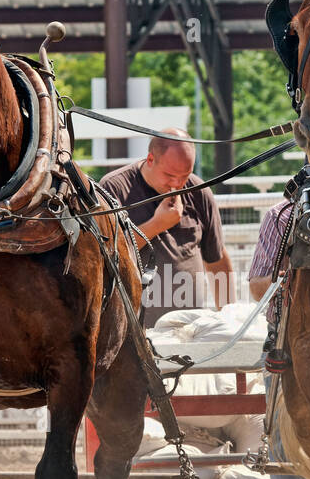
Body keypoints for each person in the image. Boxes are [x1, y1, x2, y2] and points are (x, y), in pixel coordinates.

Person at [99, 129, 235, 330]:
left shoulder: (199, 191)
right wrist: (157, 225)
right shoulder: (114, 188)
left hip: (189, 329)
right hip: (133, 333)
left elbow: (217, 259)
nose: (178, 184)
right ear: (151, 159)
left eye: (185, 175)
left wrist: (228, 318)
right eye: (170, 175)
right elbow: (107, 256)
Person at [248, 197, 309, 479]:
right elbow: (258, 285)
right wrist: (286, 281)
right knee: (282, 427)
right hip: (288, 336)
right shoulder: (282, 216)